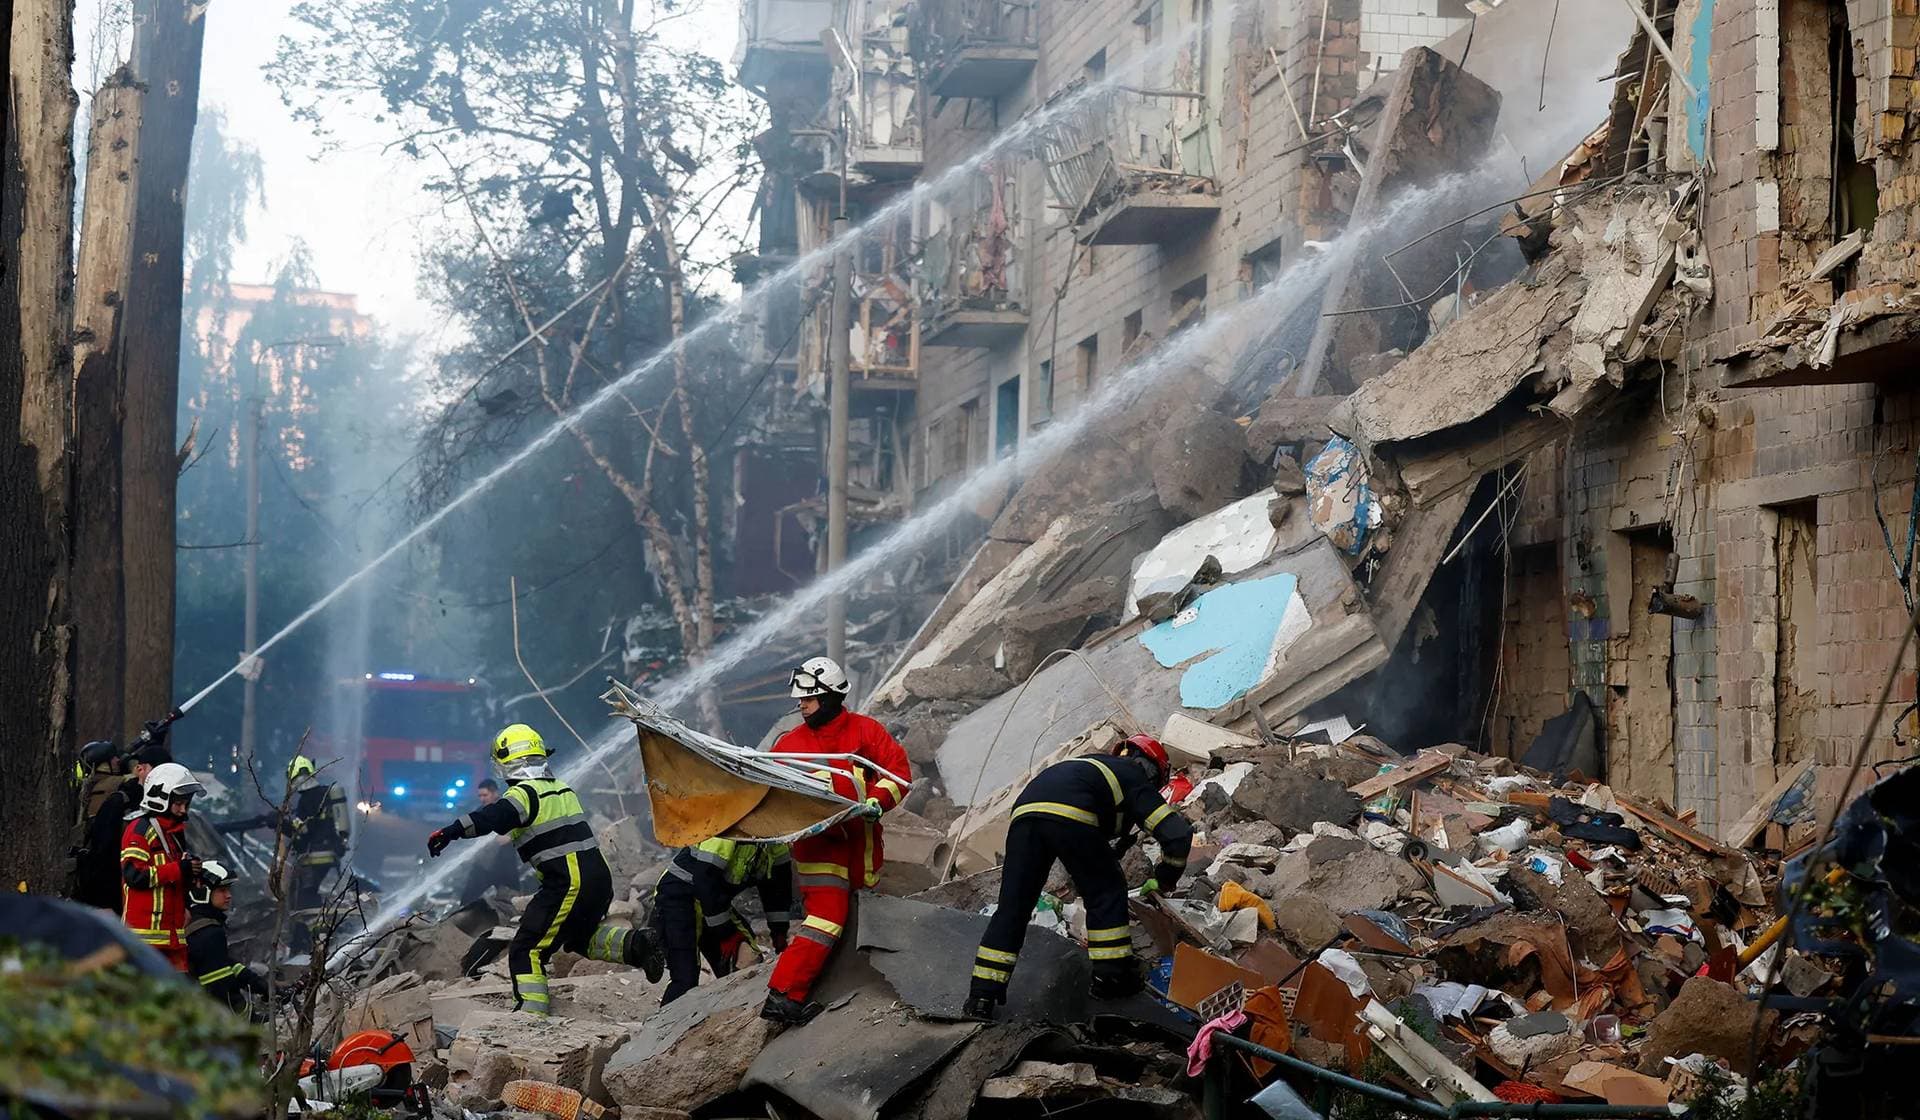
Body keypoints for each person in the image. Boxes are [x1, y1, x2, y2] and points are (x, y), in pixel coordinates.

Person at [426, 724, 664, 1015]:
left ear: (507, 763)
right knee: (578, 936)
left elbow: (495, 816)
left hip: (568, 882)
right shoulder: (562, 789)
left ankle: (531, 1018)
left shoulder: (525, 793)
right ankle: (637, 944)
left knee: (526, 949)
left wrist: (451, 831)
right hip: (597, 880)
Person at [964, 734, 1193, 1021]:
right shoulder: (1133, 776)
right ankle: (1112, 978)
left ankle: (981, 995)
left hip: (1024, 814)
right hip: (1070, 812)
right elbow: (1177, 834)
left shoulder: (1093, 768)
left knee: (1013, 907)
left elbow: (1101, 833)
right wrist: (1165, 878)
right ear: (1152, 771)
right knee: (1107, 891)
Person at [761, 656, 912, 1025]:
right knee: (828, 918)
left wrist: (878, 799)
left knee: (854, 913)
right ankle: (784, 993)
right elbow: (774, 796)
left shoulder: (866, 731)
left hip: (861, 845)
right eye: (800, 700)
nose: (801, 705)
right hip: (819, 849)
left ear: (830, 697)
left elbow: (899, 773)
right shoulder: (788, 746)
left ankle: (848, 983)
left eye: (808, 699)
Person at [642, 838, 793, 1004]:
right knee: (685, 979)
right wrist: (726, 934)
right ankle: (664, 1028)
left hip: (713, 902)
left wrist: (779, 931)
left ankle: (737, 1016)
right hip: (677, 899)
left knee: (748, 962)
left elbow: (778, 890)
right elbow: (704, 881)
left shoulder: (777, 841)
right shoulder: (726, 832)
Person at [120, 762, 206, 971]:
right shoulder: (139, 830)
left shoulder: (174, 835)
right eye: (178, 803)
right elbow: (135, 876)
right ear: (161, 798)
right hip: (144, 942)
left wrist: (191, 875)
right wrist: (179, 869)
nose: (183, 809)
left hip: (173, 939)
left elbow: (173, 881)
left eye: (186, 803)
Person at [74, 739, 173, 912]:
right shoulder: (119, 801)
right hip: (118, 896)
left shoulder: (172, 807)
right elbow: (102, 854)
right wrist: (104, 903)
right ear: (140, 770)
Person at [185, 860, 269, 1017]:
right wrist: (249, 1019)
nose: (229, 895)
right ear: (202, 892)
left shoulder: (200, 925)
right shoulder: (208, 933)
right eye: (222, 890)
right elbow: (220, 987)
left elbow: (224, 963)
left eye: (228, 889)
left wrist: (259, 984)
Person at [284, 754, 350, 910]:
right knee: (309, 893)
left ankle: (309, 930)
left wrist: (281, 825)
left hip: (314, 857)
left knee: (305, 898)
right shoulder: (326, 793)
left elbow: (302, 832)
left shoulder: (306, 800)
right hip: (332, 851)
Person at [458, 779, 527, 905]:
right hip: (483, 866)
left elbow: (525, 824)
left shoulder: (508, 808)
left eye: (485, 795)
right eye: (480, 796)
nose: (482, 799)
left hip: (506, 866)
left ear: (495, 793)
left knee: (516, 901)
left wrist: (511, 836)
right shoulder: (478, 813)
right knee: (466, 901)